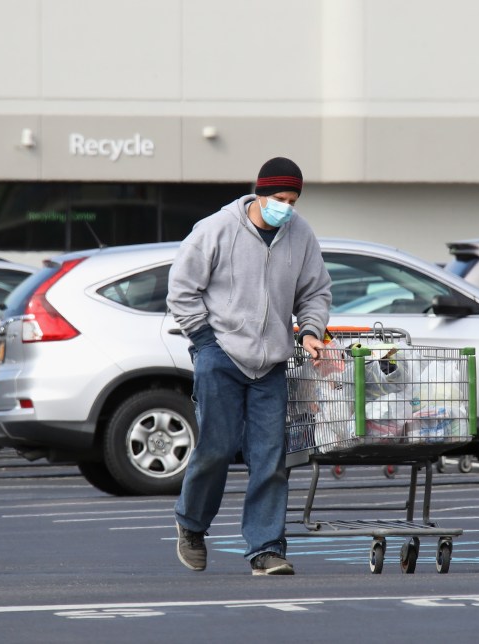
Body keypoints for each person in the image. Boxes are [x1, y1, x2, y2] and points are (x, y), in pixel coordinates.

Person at [167, 157, 331, 575]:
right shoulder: (216, 229)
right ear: (259, 193)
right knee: (217, 449)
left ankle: (266, 549)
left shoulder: (301, 234)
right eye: (279, 198)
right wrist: (205, 341)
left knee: (270, 458)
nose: (287, 207)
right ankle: (191, 524)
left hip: (271, 364)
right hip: (219, 354)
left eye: (293, 199)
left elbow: (315, 292)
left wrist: (310, 330)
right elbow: (182, 290)